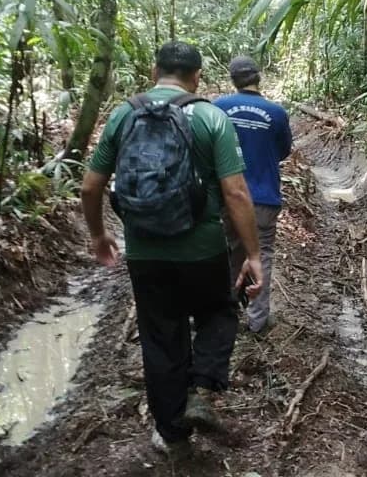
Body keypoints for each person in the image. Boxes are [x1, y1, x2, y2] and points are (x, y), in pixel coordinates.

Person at [80, 41, 263, 457]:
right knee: (219, 311)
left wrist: (97, 234)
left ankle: (173, 438)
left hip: (146, 252)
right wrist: (252, 255)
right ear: (196, 76)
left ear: (153, 69)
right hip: (203, 249)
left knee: (161, 338)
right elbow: (235, 192)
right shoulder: (212, 116)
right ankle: (200, 389)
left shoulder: (123, 115)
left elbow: (91, 185)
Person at [214, 55, 292, 334]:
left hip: (226, 196)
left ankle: (226, 314)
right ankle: (258, 320)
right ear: (258, 78)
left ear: (232, 80)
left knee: (229, 253)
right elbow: (283, 151)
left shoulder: (218, 107)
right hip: (264, 197)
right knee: (263, 254)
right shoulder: (277, 113)